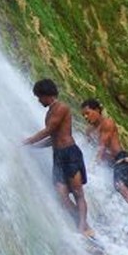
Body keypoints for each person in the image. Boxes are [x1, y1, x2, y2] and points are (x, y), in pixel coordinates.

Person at [23, 78, 93, 236]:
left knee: (77, 192)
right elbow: (52, 138)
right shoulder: (49, 112)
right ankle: (82, 224)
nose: (38, 100)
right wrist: (33, 147)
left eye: (39, 97)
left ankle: (83, 228)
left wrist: (27, 141)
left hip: (70, 153)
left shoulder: (62, 108)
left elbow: (49, 130)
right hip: (58, 156)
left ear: (47, 94)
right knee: (62, 195)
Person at [81, 99, 128, 213]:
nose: (85, 117)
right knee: (121, 186)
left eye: (87, 113)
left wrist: (92, 168)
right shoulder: (89, 131)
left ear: (97, 110)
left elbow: (102, 146)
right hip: (111, 164)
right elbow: (88, 148)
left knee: (119, 183)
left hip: (121, 159)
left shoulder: (107, 123)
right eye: (83, 115)